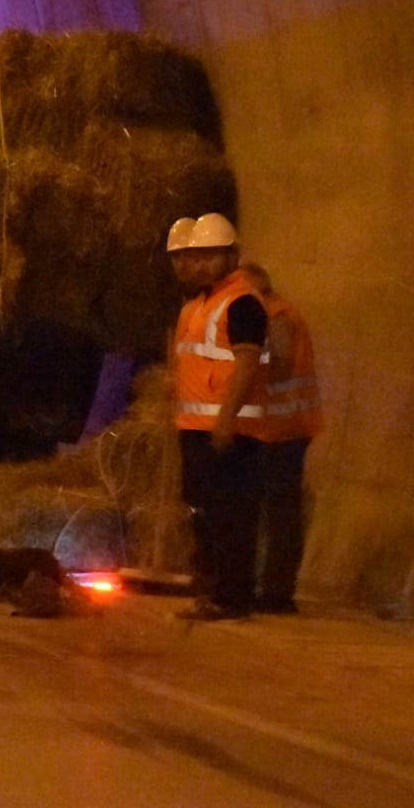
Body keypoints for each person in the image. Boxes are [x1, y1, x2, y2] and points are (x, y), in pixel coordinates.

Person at [169, 212, 270, 621]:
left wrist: (226, 420)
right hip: (197, 426)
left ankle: (231, 596)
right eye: (197, 256)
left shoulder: (242, 302)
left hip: (229, 430)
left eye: (211, 256)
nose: (200, 264)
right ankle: (211, 591)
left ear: (232, 257)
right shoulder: (201, 303)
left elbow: (246, 364)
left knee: (229, 515)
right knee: (204, 512)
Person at [240, 262, 323, 614]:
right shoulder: (277, 313)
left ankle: (276, 591)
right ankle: (271, 586)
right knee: (276, 511)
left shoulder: (276, 317)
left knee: (279, 512)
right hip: (280, 427)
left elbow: (280, 364)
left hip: (282, 429)